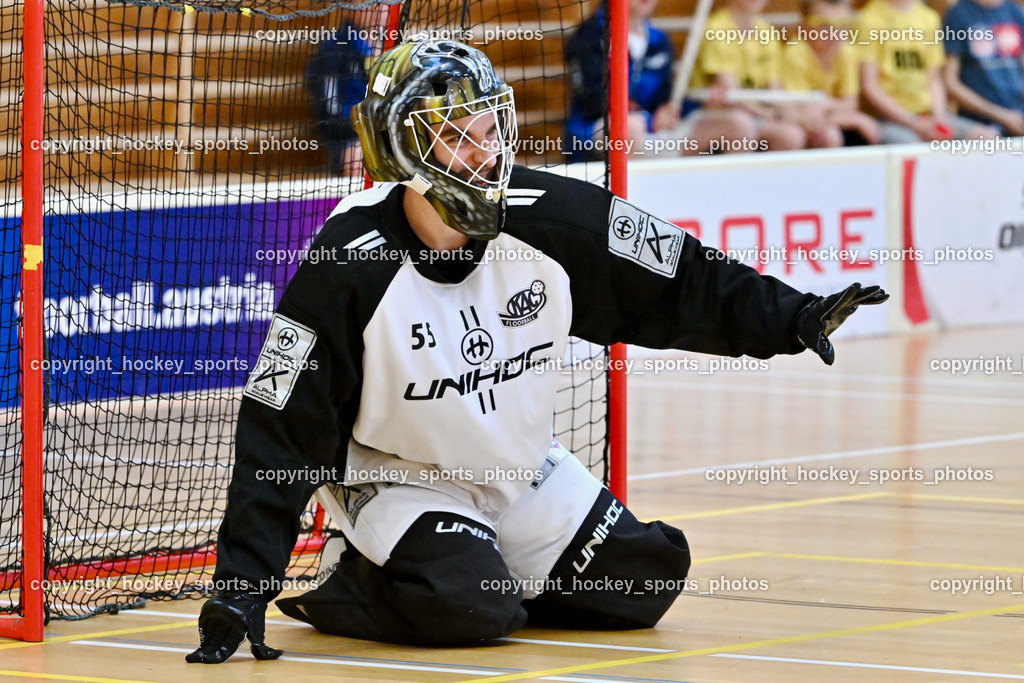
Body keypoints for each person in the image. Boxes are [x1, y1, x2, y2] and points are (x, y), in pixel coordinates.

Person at [186, 38, 888, 663]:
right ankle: (356, 570)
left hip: (517, 471)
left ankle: (466, 560)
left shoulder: (551, 216)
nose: (485, 152)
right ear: (402, 150)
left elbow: (680, 273)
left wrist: (793, 317)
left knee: (647, 576)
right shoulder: (346, 263)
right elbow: (278, 425)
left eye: (491, 128)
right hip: (400, 479)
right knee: (471, 606)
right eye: (457, 137)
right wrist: (243, 589)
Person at [564, 0, 751, 158]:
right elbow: (594, 100)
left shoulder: (659, 40)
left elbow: (666, 97)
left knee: (738, 124)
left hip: (653, 135)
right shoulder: (589, 36)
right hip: (597, 137)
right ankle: (627, 199)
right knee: (630, 126)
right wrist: (651, 119)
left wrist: (702, 104)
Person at [857, 0, 998, 143]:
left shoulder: (928, 18)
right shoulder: (869, 19)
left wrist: (939, 118)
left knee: (986, 137)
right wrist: (913, 122)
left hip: (927, 114)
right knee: (913, 148)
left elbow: (934, 79)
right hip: (887, 118)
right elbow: (870, 87)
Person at [688, 0, 810, 151]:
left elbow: (774, 89)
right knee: (741, 126)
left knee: (791, 134)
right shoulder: (716, 28)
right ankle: (734, 175)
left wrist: (794, 115)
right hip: (713, 113)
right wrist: (771, 114)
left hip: (754, 113)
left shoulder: (766, 30)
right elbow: (731, 95)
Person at [782, 0, 880, 146]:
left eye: (842, 25)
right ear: (804, 26)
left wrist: (826, 106)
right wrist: (846, 116)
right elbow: (800, 108)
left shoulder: (846, 53)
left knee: (868, 130)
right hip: (798, 121)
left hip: (826, 119)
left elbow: (850, 102)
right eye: (824, 25)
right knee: (829, 136)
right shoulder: (796, 54)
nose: (834, 33)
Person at [942, 0, 1024, 136]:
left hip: (1017, 113)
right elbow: (951, 83)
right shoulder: (958, 14)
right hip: (980, 120)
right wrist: (1002, 115)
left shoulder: (1014, 12)